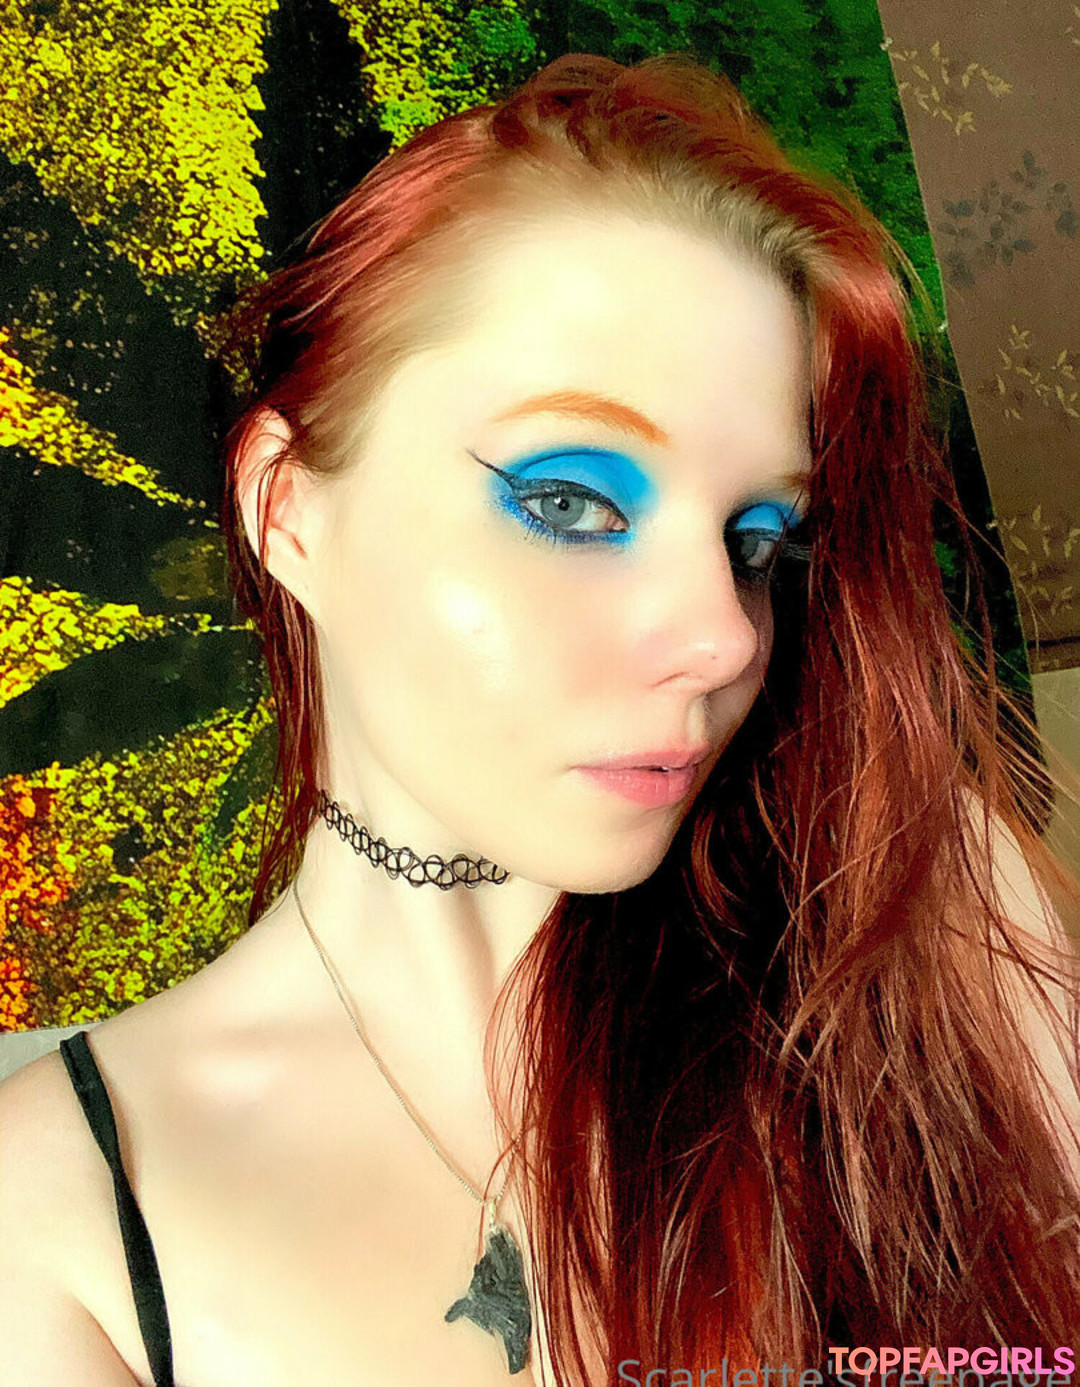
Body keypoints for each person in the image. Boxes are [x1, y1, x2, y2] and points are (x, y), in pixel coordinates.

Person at [1, 49, 1079, 1387]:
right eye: (570, 503)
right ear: (287, 508)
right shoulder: (58, 1214)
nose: (725, 635)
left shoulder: (913, 925)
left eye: (760, 540)